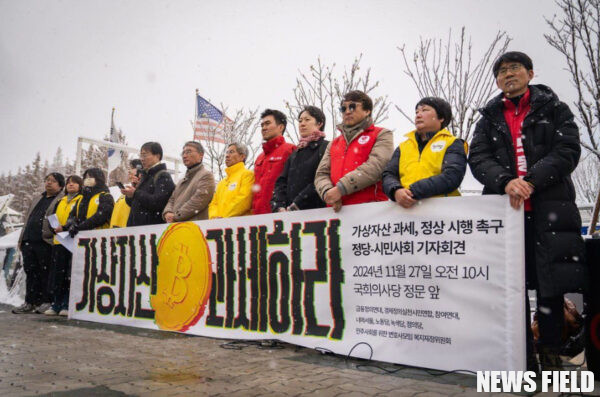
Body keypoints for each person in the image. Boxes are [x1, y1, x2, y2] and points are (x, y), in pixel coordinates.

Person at [468, 51, 586, 371]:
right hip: (506, 215)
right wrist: (506, 182)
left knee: (549, 288)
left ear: (530, 73)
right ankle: (523, 359)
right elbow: (478, 158)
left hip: (550, 212)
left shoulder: (556, 109)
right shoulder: (489, 117)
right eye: (502, 71)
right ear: (496, 80)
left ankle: (550, 357)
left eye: (515, 68)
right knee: (511, 287)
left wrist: (530, 181)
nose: (508, 74)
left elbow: (568, 151)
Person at [314, 90, 393, 212]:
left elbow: (377, 166)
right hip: (336, 212)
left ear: (367, 111)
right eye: (343, 108)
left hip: (371, 212)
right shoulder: (334, 143)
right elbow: (321, 174)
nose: (347, 111)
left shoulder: (381, 134)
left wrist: (341, 188)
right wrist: (327, 192)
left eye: (352, 106)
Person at [382, 97, 467, 207]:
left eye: (425, 110)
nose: (418, 115)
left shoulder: (453, 143)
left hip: (443, 213)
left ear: (441, 117)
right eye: (417, 112)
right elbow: (389, 174)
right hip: (404, 215)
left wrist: (413, 191)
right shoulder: (403, 147)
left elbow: (452, 177)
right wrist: (396, 190)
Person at [12, 173, 65, 314]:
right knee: (30, 272)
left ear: (60, 185)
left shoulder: (61, 199)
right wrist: (22, 239)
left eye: (53, 181)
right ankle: (30, 301)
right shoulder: (38, 198)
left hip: (45, 241)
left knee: (45, 272)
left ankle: (46, 301)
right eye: (47, 180)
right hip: (29, 240)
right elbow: (28, 218)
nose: (49, 183)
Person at [272, 106, 329, 212]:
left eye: (307, 120)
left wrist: (298, 203)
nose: (302, 124)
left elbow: (322, 178)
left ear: (320, 123)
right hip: (289, 215)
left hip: (316, 212)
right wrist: (279, 205)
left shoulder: (326, 147)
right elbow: (281, 181)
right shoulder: (295, 152)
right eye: (300, 121)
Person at [44, 175, 83, 316]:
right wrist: (55, 227)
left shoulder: (81, 200)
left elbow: (77, 219)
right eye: (68, 183)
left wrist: (66, 228)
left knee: (69, 273)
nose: (70, 185)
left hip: (71, 240)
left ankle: (66, 303)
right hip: (58, 240)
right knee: (57, 274)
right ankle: (56, 304)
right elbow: (51, 216)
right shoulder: (60, 200)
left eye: (74, 183)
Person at [252, 109, 295, 215]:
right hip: (257, 217)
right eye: (262, 125)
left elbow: (294, 183)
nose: (263, 128)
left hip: (279, 215)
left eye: (267, 124)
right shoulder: (259, 157)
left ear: (281, 127)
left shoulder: (290, 150)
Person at [122, 142, 175, 226]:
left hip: (150, 232)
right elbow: (132, 204)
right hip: (136, 231)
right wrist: (130, 195)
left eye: (145, 155)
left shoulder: (163, 176)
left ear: (157, 156)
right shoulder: (144, 176)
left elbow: (158, 203)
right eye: (141, 156)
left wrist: (135, 193)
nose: (142, 159)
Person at [163, 141, 215, 222]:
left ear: (201, 155)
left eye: (188, 152)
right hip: (176, 228)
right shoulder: (181, 180)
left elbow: (198, 201)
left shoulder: (206, 176)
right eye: (183, 153)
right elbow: (172, 200)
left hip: (194, 228)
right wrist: (168, 212)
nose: (184, 155)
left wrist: (176, 216)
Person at [209, 143, 255, 219]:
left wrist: (224, 217)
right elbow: (213, 204)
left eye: (231, 152)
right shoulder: (222, 183)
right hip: (218, 226)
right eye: (227, 152)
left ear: (242, 156)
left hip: (238, 226)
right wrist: (214, 217)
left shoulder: (248, 175)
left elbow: (244, 200)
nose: (227, 155)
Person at [66, 168, 115, 238]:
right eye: (86, 177)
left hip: (100, 238)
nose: (88, 179)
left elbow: (101, 217)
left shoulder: (105, 196)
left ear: (98, 179)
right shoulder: (81, 198)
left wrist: (80, 227)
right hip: (81, 239)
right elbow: (72, 215)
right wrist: (71, 224)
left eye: (91, 177)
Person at [110, 159, 142, 228]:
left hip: (129, 232)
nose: (129, 171)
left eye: (132, 168)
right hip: (116, 231)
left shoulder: (142, 191)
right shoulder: (127, 190)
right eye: (129, 168)